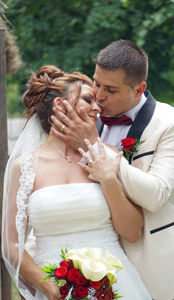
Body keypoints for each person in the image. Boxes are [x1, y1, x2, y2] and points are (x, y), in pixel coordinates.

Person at [51, 40, 174, 300]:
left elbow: (156, 194)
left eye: (110, 89)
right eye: (96, 83)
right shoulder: (85, 117)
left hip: (160, 271)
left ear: (139, 88)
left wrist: (95, 145)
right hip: (99, 270)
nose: (98, 95)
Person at [2, 65, 151, 300]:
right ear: (61, 105)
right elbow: (11, 244)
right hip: (52, 287)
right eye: (88, 99)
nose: (97, 107)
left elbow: (132, 232)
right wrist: (49, 289)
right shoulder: (25, 167)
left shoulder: (108, 156)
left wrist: (108, 178)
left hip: (113, 284)